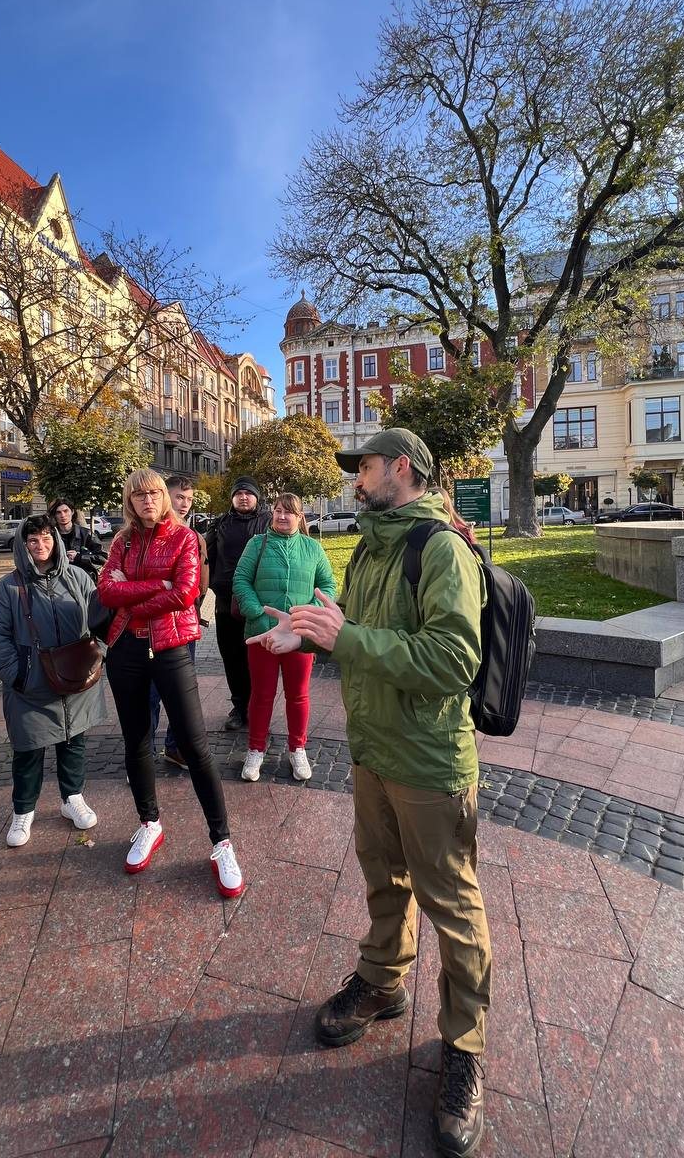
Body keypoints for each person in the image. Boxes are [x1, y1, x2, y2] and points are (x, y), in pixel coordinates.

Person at [251, 429, 491, 1158]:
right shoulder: (370, 546)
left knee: (452, 904)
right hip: (373, 748)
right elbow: (353, 630)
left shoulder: (441, 548)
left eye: (365, 466)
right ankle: (384, 981)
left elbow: (453, 659)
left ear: (401, 469)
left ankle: (465, 1049)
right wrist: (305, 636)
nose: (356, 477)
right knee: (384, 879)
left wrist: (344, 640)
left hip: (428, 758)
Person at [98, 469, 243, 898]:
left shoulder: (183, 538)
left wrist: (133, 594)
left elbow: (184, 593)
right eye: (138, 494)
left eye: (154, 493)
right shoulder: (122, 542)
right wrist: (152, 587)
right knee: (136, 741)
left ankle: (222, 842)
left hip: (171, 646)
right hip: (125, 650)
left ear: (164, 497)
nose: (147, 500)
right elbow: (105, 591)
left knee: (194, 745)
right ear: (129, 500)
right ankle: (149, 823)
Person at [0, 515, 103, 847]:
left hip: (77, 678)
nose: (40, 545)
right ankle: (23, 810)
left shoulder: (78, 577)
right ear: (23, 545)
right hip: (32, 683)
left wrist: (98, 655)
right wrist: (17, 673)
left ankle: (72, 797)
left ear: (56, 540)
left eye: (47, 537)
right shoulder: (10, 587)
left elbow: (101, 619)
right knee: (28, 749)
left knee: (73, 741)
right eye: (32, 539)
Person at [235, 493, 336, 782]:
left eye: (289, 512)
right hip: (263, 634)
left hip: (300, 636)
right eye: (278, 510)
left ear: (299, 516)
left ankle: (298, 748)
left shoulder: (312, 548)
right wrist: (258, 615)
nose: (282, 516)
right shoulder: (257, 544)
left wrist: (304, 618)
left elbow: (327, 585)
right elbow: (241, 580)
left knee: (298, 695)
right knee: (261, 695)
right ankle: (256, 749)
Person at [149, 474, 210, 771]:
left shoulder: (194, 536)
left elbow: (201, 581)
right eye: (179, 498)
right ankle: (145, 752)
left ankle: (175, 747)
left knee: (181, 693)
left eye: (189, 499)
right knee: (149, 693)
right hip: (153, 624)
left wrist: (199, 609)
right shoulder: (149, 533)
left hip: (185, 623)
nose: (185, 504)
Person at [206, 476, 270, 730]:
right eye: (238, 494)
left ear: (256, 497)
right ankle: (239, 707)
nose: (244, 497)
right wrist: (216, 584)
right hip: (226, 602)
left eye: (248, 493)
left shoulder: (268, 521)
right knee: (232, 657)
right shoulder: (220, 524)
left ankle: (258, 707)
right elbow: (209, 559)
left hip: (259, 601)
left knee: (259, 658)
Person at [47, 498, 105, 582]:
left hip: (84, 580)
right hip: (58, 581)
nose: (63, 515)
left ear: (72, 512)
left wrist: (79, 557)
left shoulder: (86, 534)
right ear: (54, 515)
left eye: (66, 511)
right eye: (58, 512)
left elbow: (103, 557)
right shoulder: (51, 536)